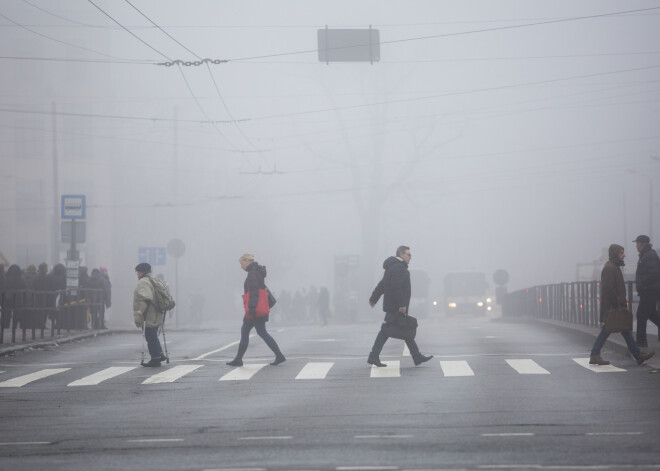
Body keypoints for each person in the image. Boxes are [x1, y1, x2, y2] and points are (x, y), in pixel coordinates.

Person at [367, 245, 433, 367]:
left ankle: (417, 357)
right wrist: (401, 304)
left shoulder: (392, 267)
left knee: (404, 329)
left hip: (393, 304)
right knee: (386, 331)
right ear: (401, 254)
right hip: (395, 306)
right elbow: (396, 287)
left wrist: (373, 298)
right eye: (408, 255)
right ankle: (373, 356)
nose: (410, 257)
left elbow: (383, 284)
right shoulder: (399, 268)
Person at [589, 244, 655, 365]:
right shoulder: (610, 268)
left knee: (624, 329)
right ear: (615, 254)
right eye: (621, 253)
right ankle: (594, 354)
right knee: (609, 329)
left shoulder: (613, 266)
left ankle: (637, 354)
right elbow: (609, 288)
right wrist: (617, 303)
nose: (623, 255)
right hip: (613, 306)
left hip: (614, 305)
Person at [227, 254, 285, 367]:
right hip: (257, 308)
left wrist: (252, 309)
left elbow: (254, 293)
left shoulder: (252, 274)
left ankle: (279, 355)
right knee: (251, 331)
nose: (241, 266)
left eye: (242, 263)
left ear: (247, 261)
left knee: (258, 332)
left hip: (255, 309)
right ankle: (239, 359)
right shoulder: (256, 272)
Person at [133, 262, 166, 367]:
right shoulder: (155, 280)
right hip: (157, 312)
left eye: (137, 272)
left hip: (149, 313)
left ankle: (155, 358)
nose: (137, 274)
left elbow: (145, 297)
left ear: (141, 272)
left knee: (150, 336)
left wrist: (140, 311)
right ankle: (160, 354)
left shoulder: (144, 282)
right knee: (153, 334)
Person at [633, 235, 660, 347]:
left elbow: (654, 273)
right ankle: (641, 342)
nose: (636, 246)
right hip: (649, 290)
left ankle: (641, 342)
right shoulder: (647, 255)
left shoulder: (649, 255)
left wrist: (642, 283)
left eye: (637, 243)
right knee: (650, 314)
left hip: (650, 290)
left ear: (642, 244)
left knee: (641, 314)